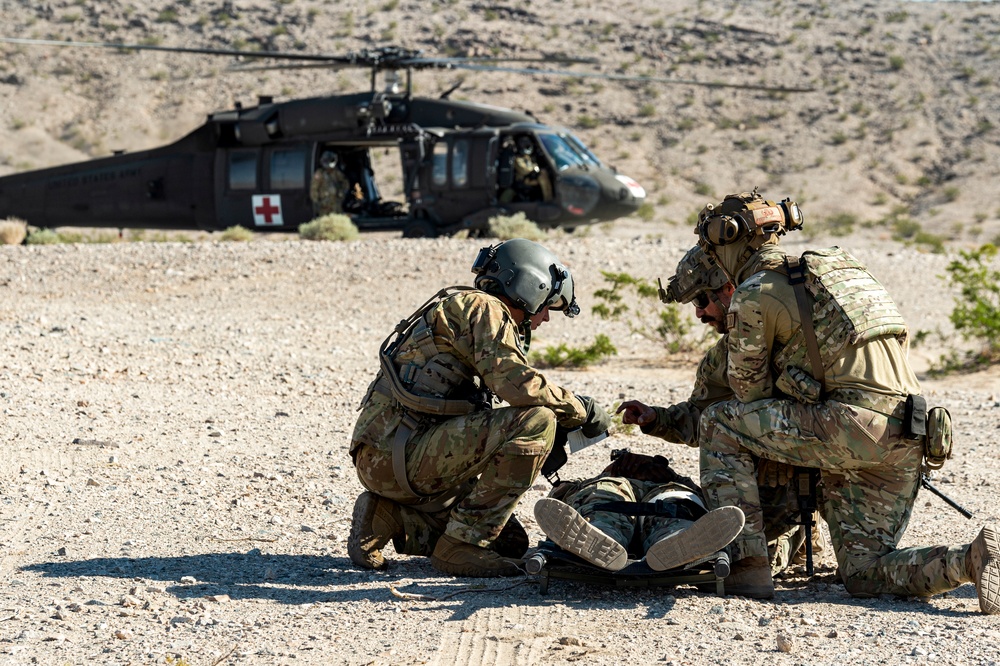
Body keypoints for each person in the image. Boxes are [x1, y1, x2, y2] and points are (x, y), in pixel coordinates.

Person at [690, 189, 998, 612]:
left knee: (720, 422)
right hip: (912, 433)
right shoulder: (842, 273)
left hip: (851, 428)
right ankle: (971, 559)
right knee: (863, 572)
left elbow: (749, 396)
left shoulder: (754, 292)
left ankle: (748, 566)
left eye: (711, 248)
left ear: (729, 239)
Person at [348, 238, 612, 578]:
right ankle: (460, 547)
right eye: (547, 306)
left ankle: (389, 519)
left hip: (388, 455)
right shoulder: (485, 308)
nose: (545, 317)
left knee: (510, 543)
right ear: (529, 287)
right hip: (404, 452)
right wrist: (581, 409)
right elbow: (517, 384)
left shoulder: (463, 308)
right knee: (537, 420)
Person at [616, 245, 817, 577]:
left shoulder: (808, 339)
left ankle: (767, 555)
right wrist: (657, 419)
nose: (699, 314)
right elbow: (703, 418)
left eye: (701, 301)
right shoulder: (722, 358)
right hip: (773, 496)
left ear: (729, 289)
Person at [534, 450, 746, 573]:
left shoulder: (671, 481)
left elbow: (566, 493)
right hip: (649, 486)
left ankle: (605, 534)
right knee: (671, 506)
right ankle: (674, 538)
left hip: (658, 486)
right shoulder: (609, 478)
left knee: (672, 504)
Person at [309, 151, 349, 217]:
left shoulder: (336, 173)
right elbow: (314, 189)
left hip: (336, 204)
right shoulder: (319, 174)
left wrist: (342, 193)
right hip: (324, 205)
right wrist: (316, 202)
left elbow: (345, 183)